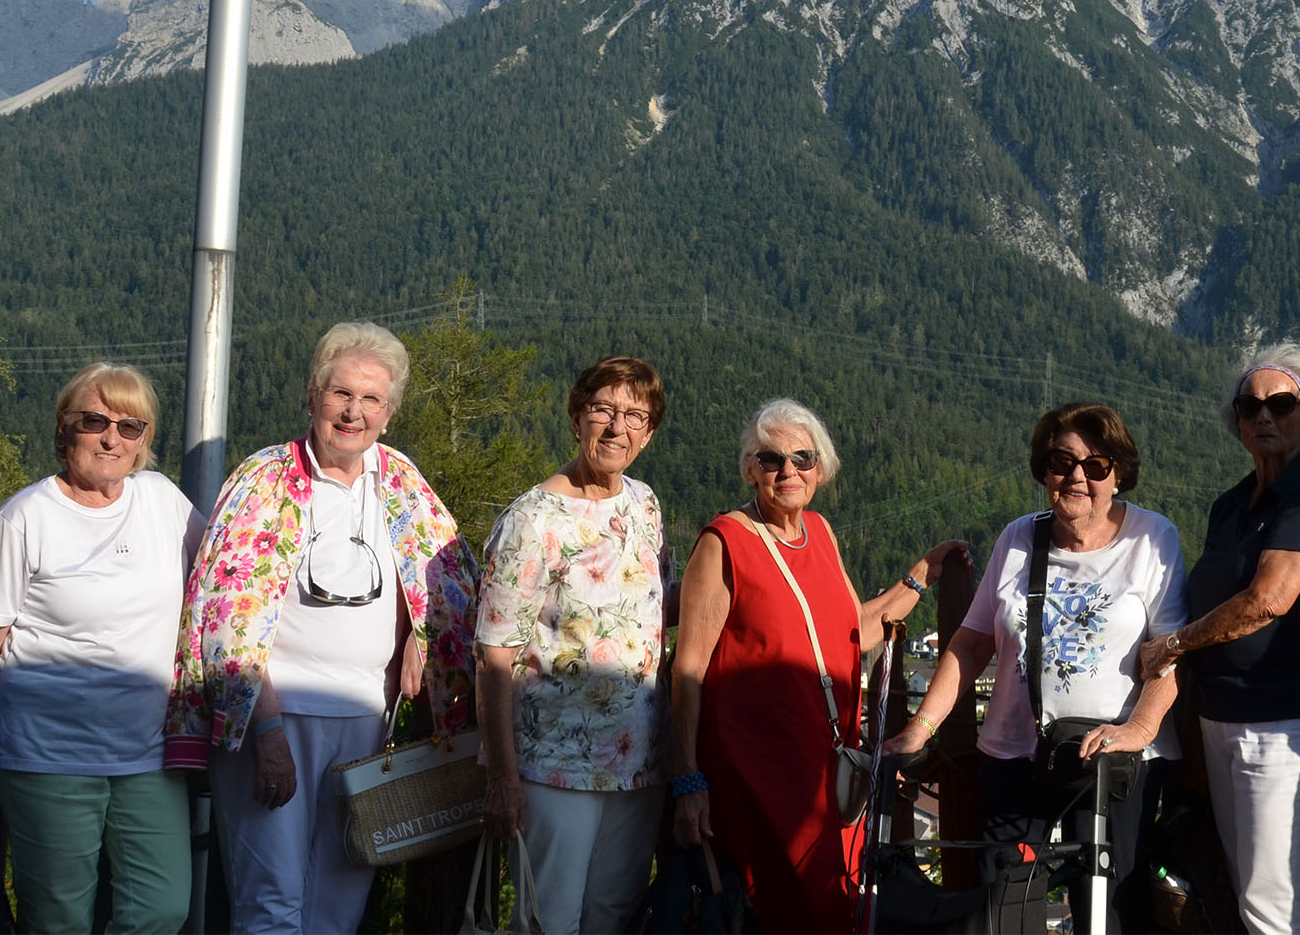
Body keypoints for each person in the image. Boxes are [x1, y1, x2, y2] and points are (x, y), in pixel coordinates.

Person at [167, 321, 481, 934]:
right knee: (271, 902)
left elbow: (446, 576)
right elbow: (225, 615)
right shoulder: (264, 480)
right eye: (341, 394)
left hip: (366, 718)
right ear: (313, 396)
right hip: (273, 716)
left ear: (389, 413)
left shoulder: (401, 481)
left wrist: (419, 635)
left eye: (370, 400)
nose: (353, 412)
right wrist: (268, 730)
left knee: (340, 904)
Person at [671, 398, 966, 933]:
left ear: (821, 470)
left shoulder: (821, 534)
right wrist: (687, 779)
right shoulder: (725, 542)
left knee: (836, 907)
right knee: (787, 911)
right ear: (750, 470)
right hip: (758, 776)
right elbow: (688, 670)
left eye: (802, 459)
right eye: (771, 459)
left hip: (827, 777)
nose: (788, 471)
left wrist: (921, 575)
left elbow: (855, 630)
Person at [890, 402, 1186, 934]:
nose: (1077, 476)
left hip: (1110, 762)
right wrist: (920, 728)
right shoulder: (1018, 538)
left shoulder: (1151, 539)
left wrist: (1137, 731)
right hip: (1015, 752)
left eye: (1096, 465)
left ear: (1118, 475)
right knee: (1003, 912)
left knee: (1109, 914)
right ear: (1044, 471)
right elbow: (971, 644)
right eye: (1061, 462)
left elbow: (1172, 651)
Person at [0, 363, 201, 934]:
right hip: (47, 757)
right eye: (95, 420)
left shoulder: (162, 502)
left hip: (146, 755)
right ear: (65, 428)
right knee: (58, 921)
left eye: (130, 426)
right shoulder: (24, 519)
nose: (112, 437)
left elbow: (229, 575)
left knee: (163, 906)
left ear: (143, 442)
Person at [1140, 343, 1300, 935]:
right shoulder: (1229, 506)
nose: (1264, 416)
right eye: (1249, 405)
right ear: (1235, 420)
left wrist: (1174, 646)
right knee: (1242, 892)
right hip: (1222, 718)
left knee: (1272, 903)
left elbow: (1268, 601)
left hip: (1286, 722)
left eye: (1282, 404)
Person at [476, 356, 672, 934]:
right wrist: (502, 779)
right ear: (576, 417)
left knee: (615, 916)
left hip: (638, 760)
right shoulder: (532, 521)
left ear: (650, 431)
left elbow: (654, 607)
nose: (617, 428)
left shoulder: (644, 504)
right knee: (548, 920)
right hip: (553, 764)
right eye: (603, 410)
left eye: (635, 415)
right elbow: (494, 656)